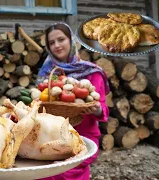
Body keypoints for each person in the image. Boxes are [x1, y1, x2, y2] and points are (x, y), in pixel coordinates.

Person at [37, 23, 110, 180]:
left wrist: (95, 109)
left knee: (66, 173)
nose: (57, 45)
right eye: (51, 42)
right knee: (43, 172)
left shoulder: (92, 73)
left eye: (61, 39)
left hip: (83, 137)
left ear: (71, 40)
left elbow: (102, 109)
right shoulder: (47, 73)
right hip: (51, 136)